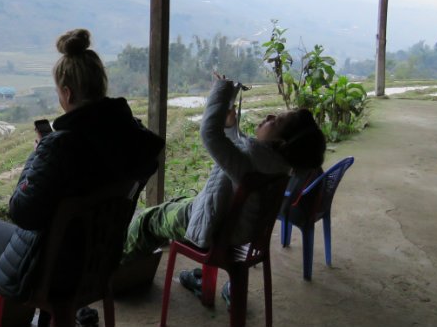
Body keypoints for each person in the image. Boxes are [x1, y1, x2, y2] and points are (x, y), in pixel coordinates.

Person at [0, 28, 165, 304]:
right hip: (102, 260)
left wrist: (37, 155)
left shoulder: (60, 148)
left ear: (67, 92)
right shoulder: (133, 138)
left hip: (54, 272)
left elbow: (22, 212)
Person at [121, 73, 326, 301]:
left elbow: (209, 135)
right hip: (240, 229)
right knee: (176, 204)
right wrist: (231, 127)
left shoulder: (250, 163)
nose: (269, 115)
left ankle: (118, 273)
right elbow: (235, 155)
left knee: (148, 219)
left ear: (280, 143)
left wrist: (221, 89)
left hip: (216, 229)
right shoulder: (277, 166)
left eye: (276, 120)